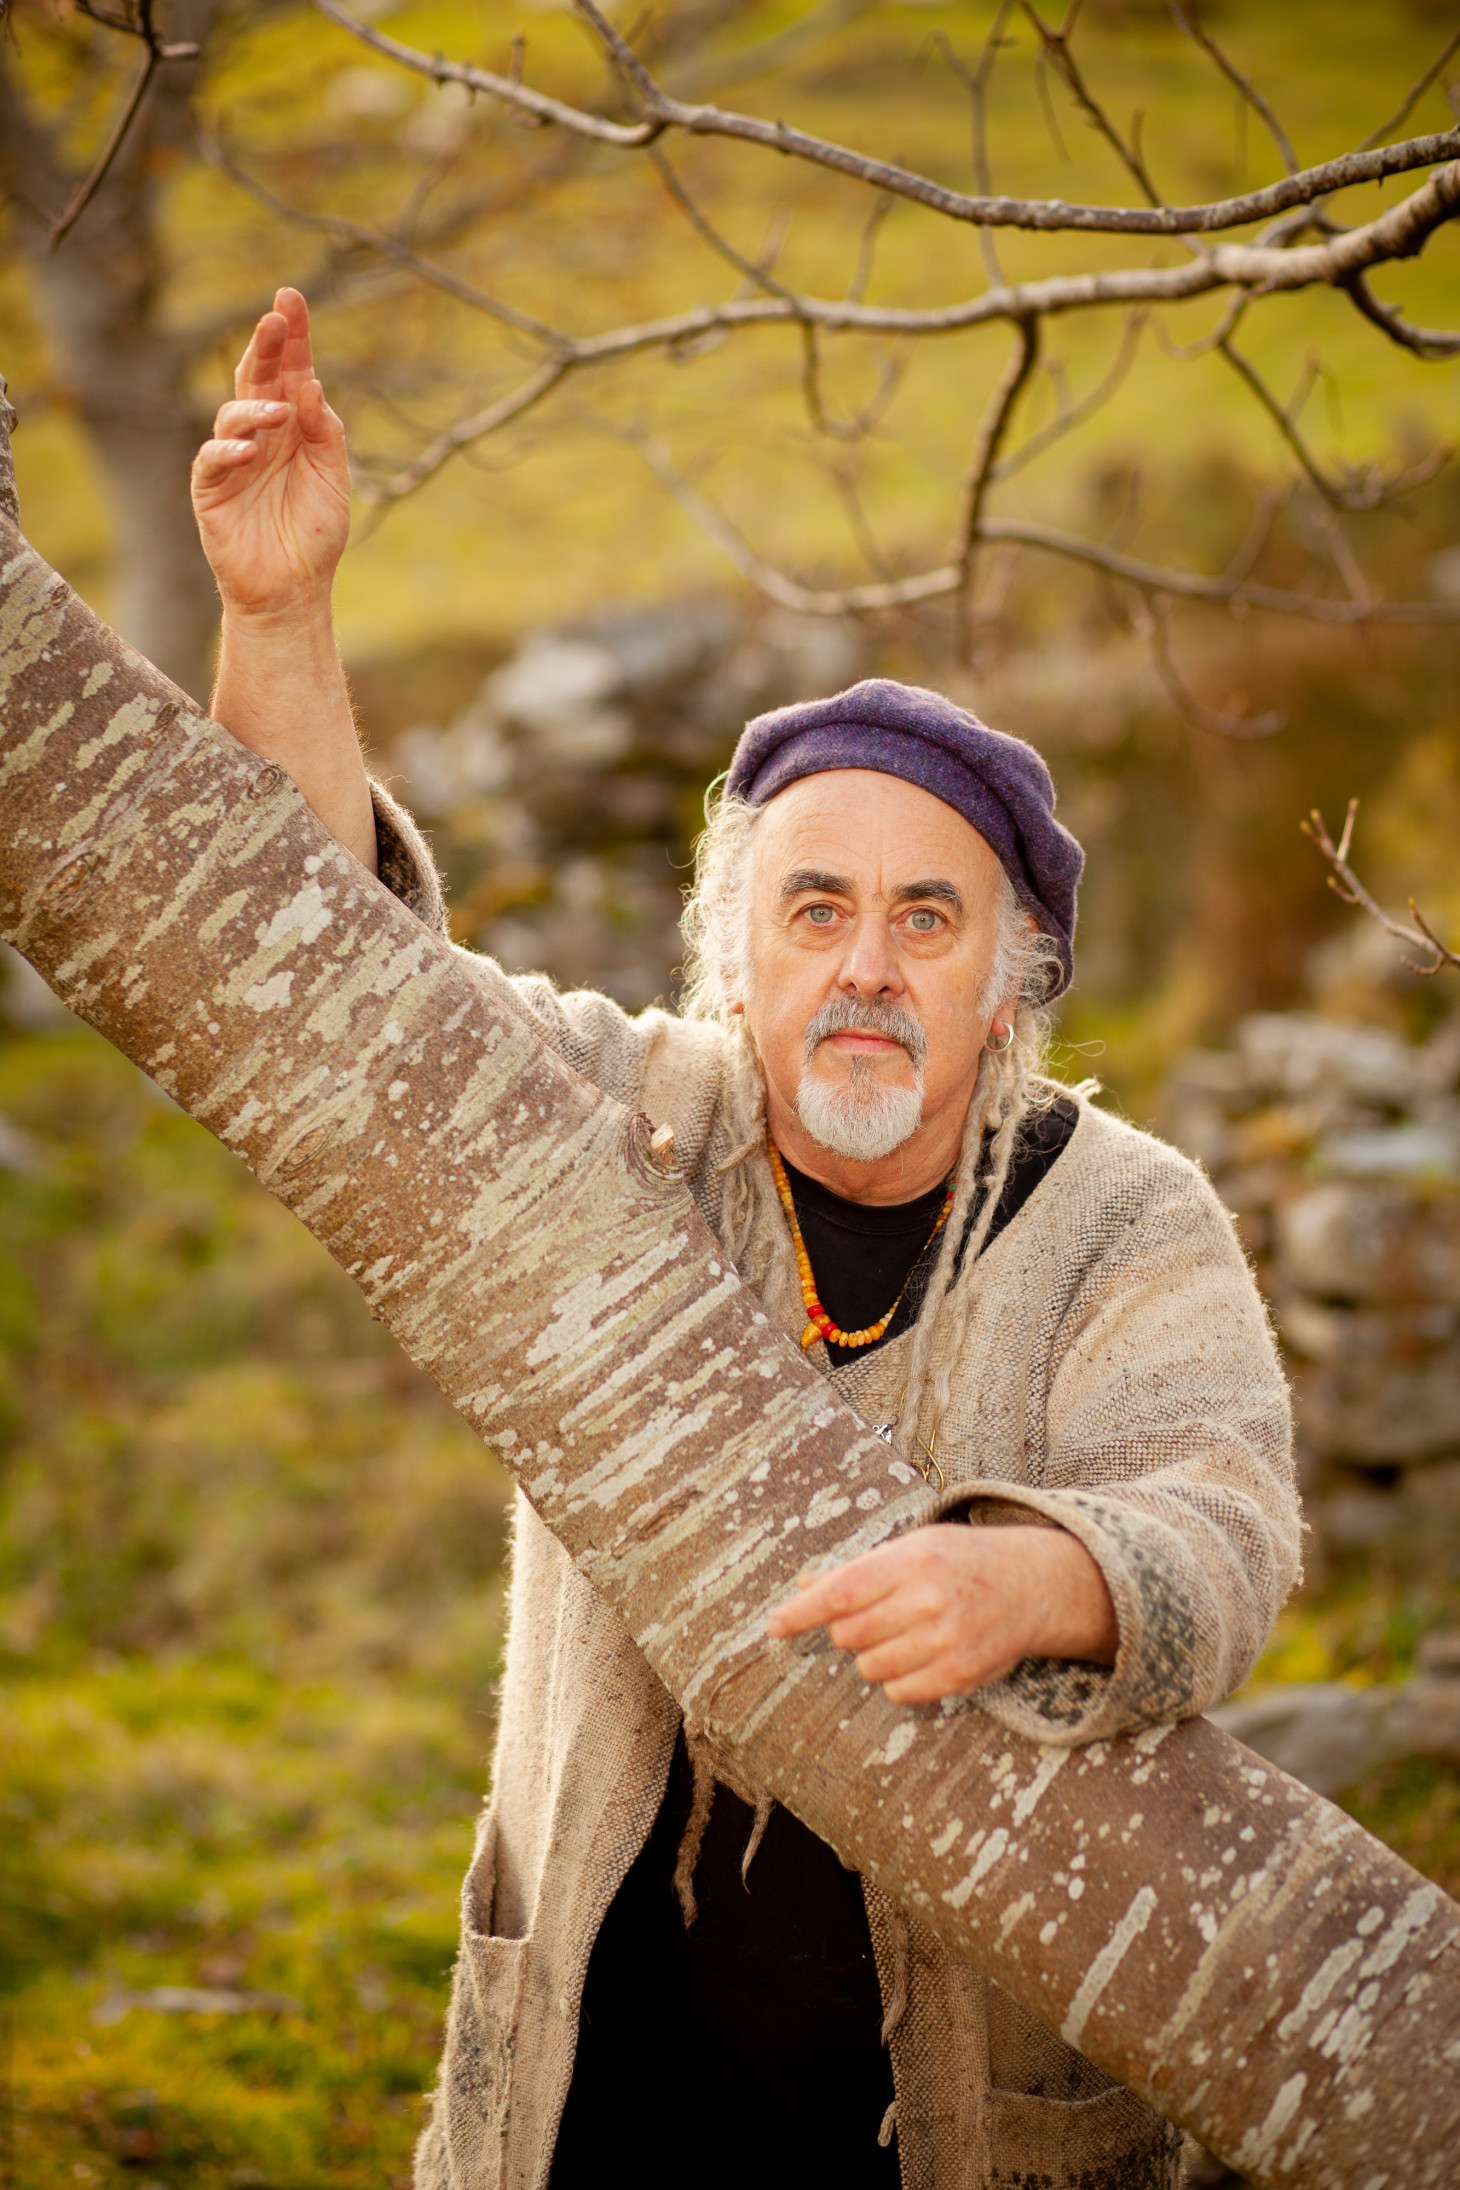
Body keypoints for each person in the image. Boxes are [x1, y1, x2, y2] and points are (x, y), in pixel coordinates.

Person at [191, 290, 1299, 2190]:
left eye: (926, 920)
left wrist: (1036, 1583)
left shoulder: (1122, 1216)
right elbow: (330, 1004)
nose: (865, 965)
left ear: (1012, 982)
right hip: (597, 2107)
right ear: (739, 945)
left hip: (951, 2134)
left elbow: (1228, 1517)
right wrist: (281, 618)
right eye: (817, 908)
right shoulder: (634, 1122)